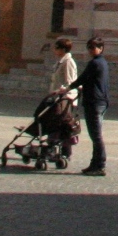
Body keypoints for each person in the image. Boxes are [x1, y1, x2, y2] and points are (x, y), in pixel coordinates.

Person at [77, 37, 109, 176]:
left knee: (96, 135)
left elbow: (83, 78)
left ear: (101, 48)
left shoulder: (95, 63)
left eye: (93, 47)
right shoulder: (102, 62)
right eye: (89, 47)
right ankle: (94, 164)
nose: (90, 50)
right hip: (100, 101)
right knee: (95, 135)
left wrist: (68, 88)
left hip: (94, 102)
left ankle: (100, 165)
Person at [46, 37, 79, 165]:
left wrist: (61, 91)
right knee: (58, 124)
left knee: (64, 125)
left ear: (62, 49)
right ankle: (55, 149)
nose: (54, 50)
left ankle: (65, 152)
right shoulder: (60, 61)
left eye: (56, 47)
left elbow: (70, 81)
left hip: (66, 99)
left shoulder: (68, 62)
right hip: (57, 97)